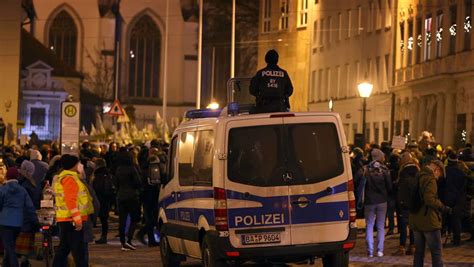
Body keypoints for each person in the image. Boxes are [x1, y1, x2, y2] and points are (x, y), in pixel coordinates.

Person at [52, 154, 94, 267]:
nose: (79, 165)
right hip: (71, 219)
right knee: (78, 251)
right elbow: (71, 200)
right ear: (73, 165)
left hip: (67, 218)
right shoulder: (69, 178)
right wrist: (77, 218)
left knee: (64, 249)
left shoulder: (67, 177)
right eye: (78, 163)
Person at [410, 160, 451, 267]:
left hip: (416, 219)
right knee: (436, 252)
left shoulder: (418, 175)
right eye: (439, 174)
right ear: (437, 169)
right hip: (428, 220)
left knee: (419, 252)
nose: (438, 177)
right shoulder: (430, 179)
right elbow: (430, 199)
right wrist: (442, 207)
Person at [356, 148, 392, 257]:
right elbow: (389, 187)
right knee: (380, 226)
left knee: (369, 225)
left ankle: (370, 250)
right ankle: (380, 250)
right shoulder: (385, 170)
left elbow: (355, 179)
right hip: (382, 201)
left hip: (369, 201)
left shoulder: (365, 169)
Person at [0, 167, 37, 267]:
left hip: (4, 222)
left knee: (9, 248)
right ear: (17, 176)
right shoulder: (22, 190)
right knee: (10, 246)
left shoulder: (3, 189)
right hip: (18, 223)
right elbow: (30, 207)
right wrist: (35, 221)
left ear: (7, 176)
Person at [114, 151, 142, 251]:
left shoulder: (118, 169)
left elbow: (116, 183)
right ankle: (129, 239)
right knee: (135, 218)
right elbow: (138, 182)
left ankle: (122, 242)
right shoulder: (132, 169)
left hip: (121, 196)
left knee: (122, 219)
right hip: (132, 196)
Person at [393, 152, 418, 256]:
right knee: (412, 226)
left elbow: (401, 190)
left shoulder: (403, 172)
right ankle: (412, 247)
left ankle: (402, 247)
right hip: (414, 203)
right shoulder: (417, 171)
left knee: (403, 227)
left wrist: (399, 202)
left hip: (404, 204)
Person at [444, 153, 467, 246]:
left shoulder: (445, 171)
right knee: (456, 219)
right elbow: (463, 187)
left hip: (447, 198)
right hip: (458, 198)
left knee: (446, 217)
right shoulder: (461, 173)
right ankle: (456, 239)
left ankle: (446, 234)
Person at [92, 159, 114, 244]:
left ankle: (103, 236)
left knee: (102, 218)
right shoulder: (108, 174)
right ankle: (103, 236)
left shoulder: (98, 175)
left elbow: (97, 187)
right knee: (104, 218)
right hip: (106, 198)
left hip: (100, 198)